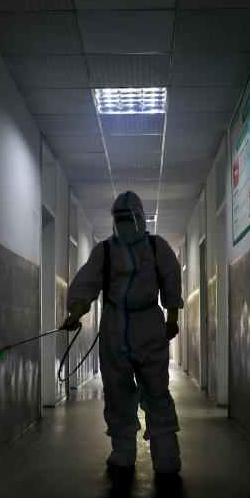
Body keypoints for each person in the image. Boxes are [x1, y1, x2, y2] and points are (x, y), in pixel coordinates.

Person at [61, 191, 184, 473]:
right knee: (116, 391)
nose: (126, 223)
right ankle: (123, 448)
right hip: (114, 328)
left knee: (156, 388)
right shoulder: (104, 251)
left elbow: (171, 281)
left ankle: (166, 452)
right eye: (120, 218)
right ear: (114, 220)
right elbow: (86, 284)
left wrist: (172, 318)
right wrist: (75, 313)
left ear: (141, 218)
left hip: (149, 326)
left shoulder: (156, 247)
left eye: (131, 217)